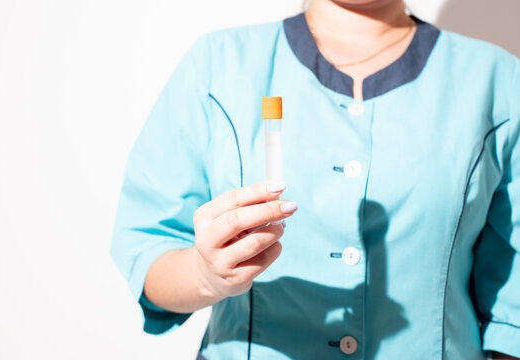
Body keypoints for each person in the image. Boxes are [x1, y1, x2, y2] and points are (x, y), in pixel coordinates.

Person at [110, 0, 520, 358]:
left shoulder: (499, 81)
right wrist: (204, 274)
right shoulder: (218, 64)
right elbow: (148, 249)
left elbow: (513, 311)